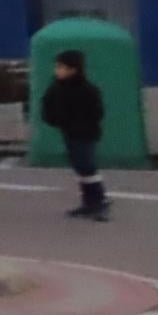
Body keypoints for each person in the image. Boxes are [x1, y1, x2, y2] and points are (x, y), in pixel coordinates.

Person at [41, 49, 110, 221]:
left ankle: (99, 200)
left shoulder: (87, 89)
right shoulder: (56, 88)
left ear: (73, 69)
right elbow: (48, 107)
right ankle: (89, 203)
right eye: (57, 66)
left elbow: (97, 111)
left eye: (61, 67)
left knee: (86, 165)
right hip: (69, 133)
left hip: (86, 133)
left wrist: (81, 123)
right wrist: (56, 120)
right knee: (80, 167)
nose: (57, 70)